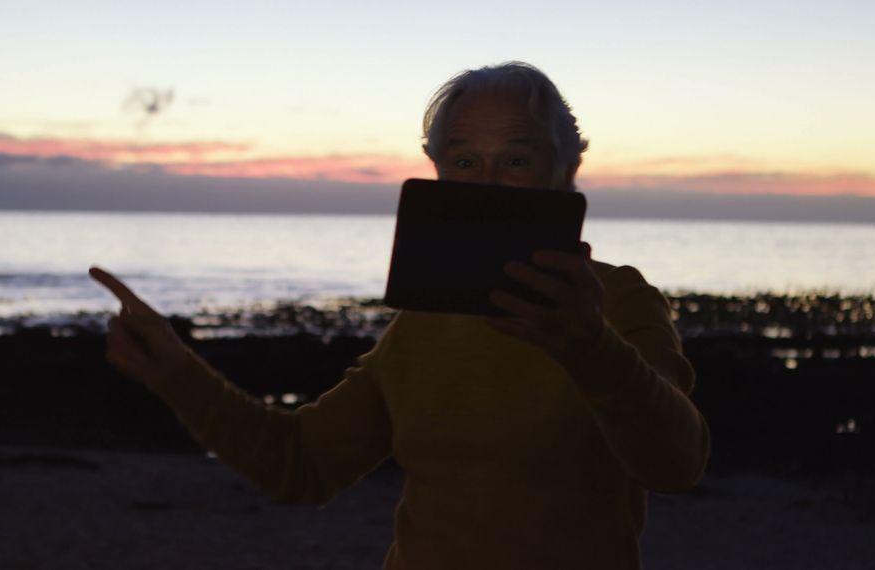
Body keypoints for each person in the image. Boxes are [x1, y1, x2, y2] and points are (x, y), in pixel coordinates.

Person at [90, 61, 710, 569]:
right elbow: (301, 466)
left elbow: (677, 465)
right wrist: (175, 369)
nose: (486, 183)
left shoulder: (620, 301)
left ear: (565, 171)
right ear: (437, 171)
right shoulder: (425, 321)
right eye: (464, 160)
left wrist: (587, 346)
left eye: (516, 160)